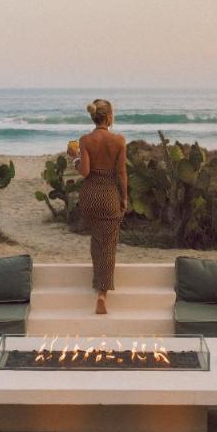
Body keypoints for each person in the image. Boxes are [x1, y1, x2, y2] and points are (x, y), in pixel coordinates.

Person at [71, 99, 127, 314]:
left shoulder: (85, 140)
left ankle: (97, 281)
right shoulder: (119, 141)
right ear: (109, 117)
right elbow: (121, 173)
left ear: (93, 117)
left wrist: (75, 159)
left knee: (97, 239)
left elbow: (84, 171)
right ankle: (102, 294)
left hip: (90, 195)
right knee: (109, 244)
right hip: (109, 194)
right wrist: (124, 197)